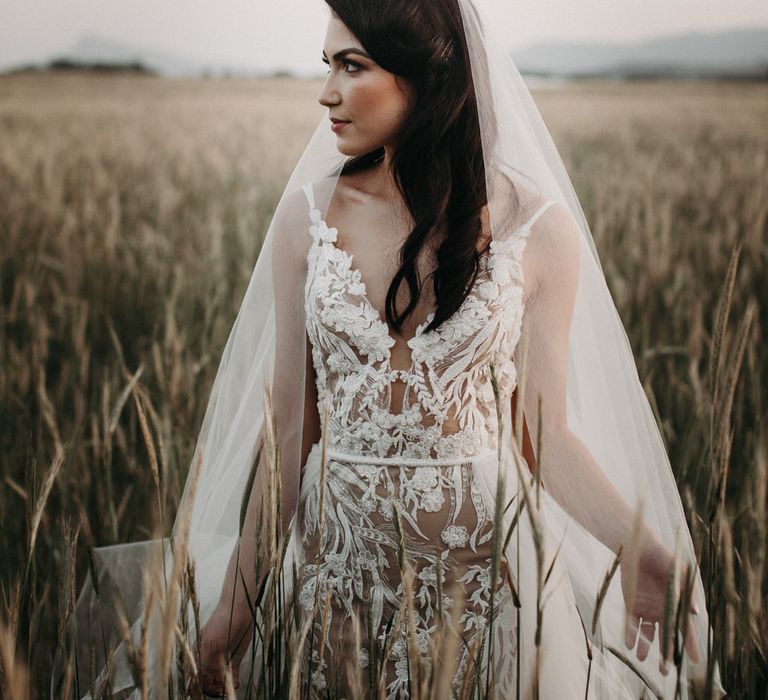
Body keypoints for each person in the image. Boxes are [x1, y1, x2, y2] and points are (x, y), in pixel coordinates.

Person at [65, 0, 725, 698]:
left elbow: (542, 433)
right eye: (328, 66)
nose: (327, 93)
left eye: (352, 66)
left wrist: (638, 547)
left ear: (428, 75)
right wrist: (236, 607)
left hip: (489, 596)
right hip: (337, 589)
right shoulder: (307, 219)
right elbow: (289, 428)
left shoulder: (540, 232)